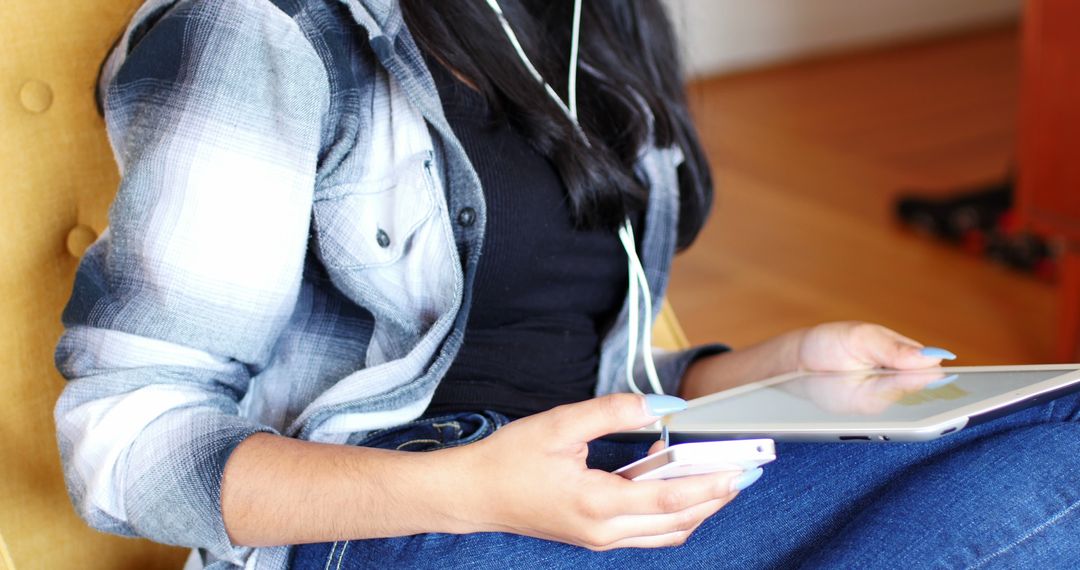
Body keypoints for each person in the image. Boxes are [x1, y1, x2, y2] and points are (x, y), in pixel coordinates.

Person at [54, 1, 1080, 569]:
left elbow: (567, 363)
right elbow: (125, 441)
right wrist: (467, 488)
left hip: (614, 480)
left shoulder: (600, 21)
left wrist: (778, 370)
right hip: (404, 530)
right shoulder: (264, 29)